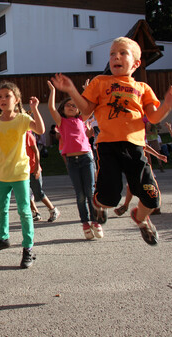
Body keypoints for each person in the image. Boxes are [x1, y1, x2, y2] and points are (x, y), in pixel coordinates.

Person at [51, 37, 172, 246]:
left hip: (134, 148)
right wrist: (71, 90)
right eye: (112, 53)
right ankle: (98, 204)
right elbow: (86, 111)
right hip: (108, 147)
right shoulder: (100, 82)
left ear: (136, 63)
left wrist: (167, 105)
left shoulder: (143, 88)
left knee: (152, 198)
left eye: (123, 53)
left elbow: (153, 118)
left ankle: (141, 219)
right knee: (110, 198)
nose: (116, 56)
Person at [0, 81, 45, 269]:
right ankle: (3, 238)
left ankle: (28, 248)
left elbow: (40, 129)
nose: (3, 99)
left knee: (24, 211)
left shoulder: (22, 119)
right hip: (2, 173)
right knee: (1, 209)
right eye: (0, 97)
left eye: (7, 96)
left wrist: (35, 109)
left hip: (20, 173)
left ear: (16, 100)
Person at [48, 85, 99, 240]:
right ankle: (85, 223)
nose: (72, 107)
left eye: (74, 105)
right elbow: (50, 107)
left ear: (78, 109)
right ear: (63, 109)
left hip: (86, 159)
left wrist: (87, 90)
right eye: (68, 105)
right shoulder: (61, 122)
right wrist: (53, 91)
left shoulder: (81, 119)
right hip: (72, 161)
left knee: (90, 192)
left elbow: (89, 107)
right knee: (80, 194)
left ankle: (96, 222)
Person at [25, 128, 60, 223]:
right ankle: (36, 213)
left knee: (38, 193)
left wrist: (36, 168)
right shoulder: (17, 136)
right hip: (23, 171)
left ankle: (53, 210)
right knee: (26, 194)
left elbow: (36, 152)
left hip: (33, 169)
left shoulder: (28, 136)